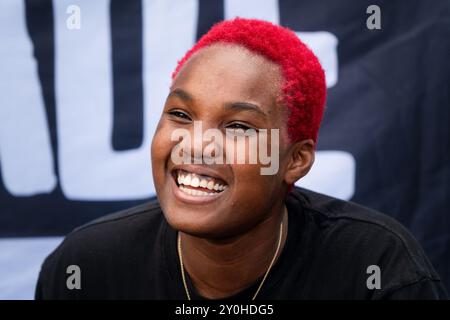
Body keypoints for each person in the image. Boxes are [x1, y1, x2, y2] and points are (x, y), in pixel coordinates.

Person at [35, 18, 447, 300]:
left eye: (238, 127)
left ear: (296, 160)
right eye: (180, 115)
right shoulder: (86, 266)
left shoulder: (377, 269)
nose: (196, 144)